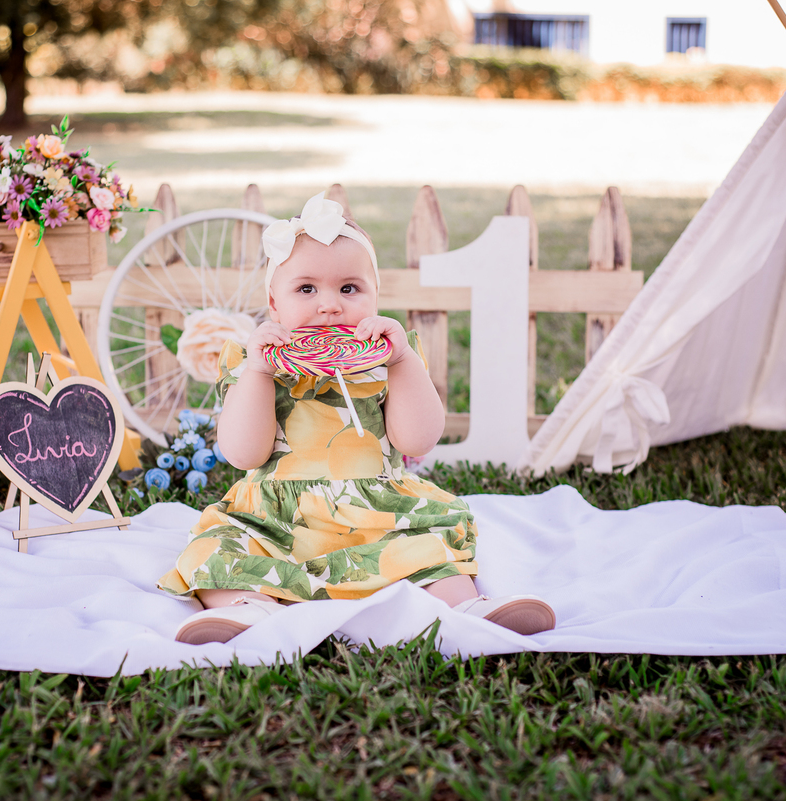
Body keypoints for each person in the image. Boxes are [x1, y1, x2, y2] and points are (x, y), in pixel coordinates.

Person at [159, 193, 555, 645]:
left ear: (375, 297)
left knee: (429, 544)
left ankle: (465, 606)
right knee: (214, 548)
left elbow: (418, 438)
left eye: (349, 289)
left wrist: (402, 360)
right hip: (278, 520)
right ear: (274, 304)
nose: (329, 305)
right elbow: (243, 453)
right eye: (306, 289)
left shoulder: (389, 360)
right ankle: (251, 609)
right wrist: (257, 372)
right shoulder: (252, 363)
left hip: (379, 514)